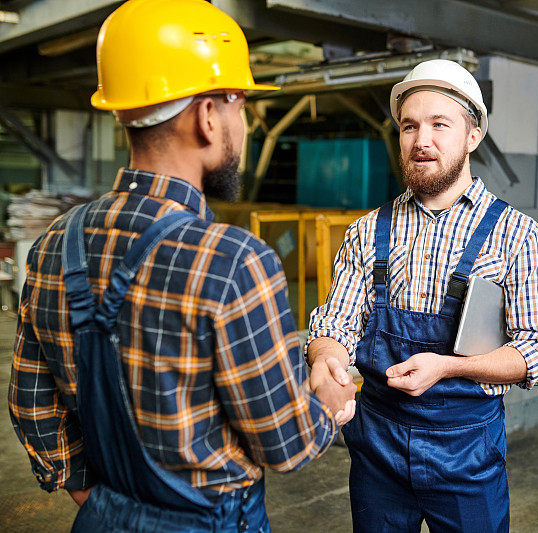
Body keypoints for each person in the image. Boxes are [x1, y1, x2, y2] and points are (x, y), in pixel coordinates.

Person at [8, 1, 355, 531]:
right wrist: (329, 404)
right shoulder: (235, 260)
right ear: (208, 116)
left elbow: (31, 399)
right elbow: (285, 444)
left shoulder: (57, 242)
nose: (243, 124)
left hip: (102, 513)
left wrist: (90, 490)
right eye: (239, 104)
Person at [306, 59, 538, 532]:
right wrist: (326, 362)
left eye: (439, 124)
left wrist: (450, 366)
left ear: (472, 136)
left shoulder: (516, 236)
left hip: (466, 450)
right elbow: (334, 326)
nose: (421, 140)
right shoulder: (368, 232)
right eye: (409, 126)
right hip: (377, 444)